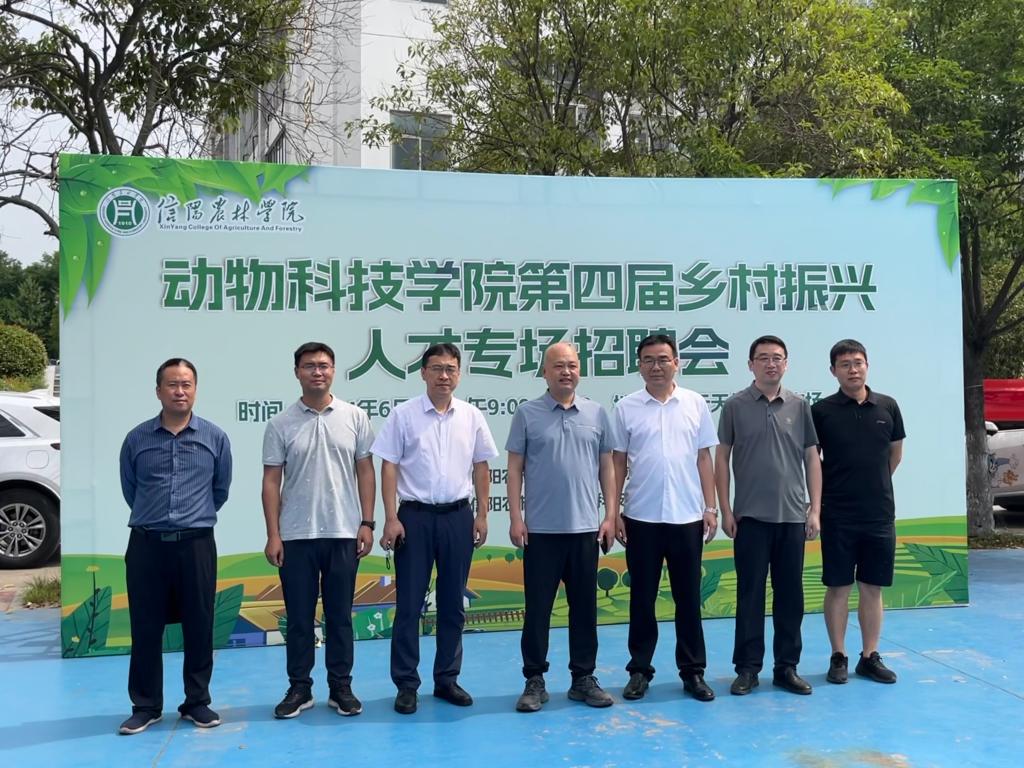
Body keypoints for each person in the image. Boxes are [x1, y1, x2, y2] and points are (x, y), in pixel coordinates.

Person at [371, 343, 497, 715]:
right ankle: (406, 684)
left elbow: (481, 467)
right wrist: (391, 517)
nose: (444, 376)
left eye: (451, 369)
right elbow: (389, 466)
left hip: (458, 516)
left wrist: (482, 514)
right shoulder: (403, 415)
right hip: (414, 518)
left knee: (453, 604)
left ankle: (447, 679)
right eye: (437, 368)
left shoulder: (471, 416)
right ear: (423, 372)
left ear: (459, 374)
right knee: (409, 605)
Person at [118, 358, 232, 735]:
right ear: (158, 391)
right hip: (147, 545)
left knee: (199, 624)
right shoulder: (137, 439)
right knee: (145, 626)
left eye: (186, 384)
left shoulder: (215, 438)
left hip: (196, 545)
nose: (179, 391)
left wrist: (191, 518)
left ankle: (196, 702)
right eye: (172, 384)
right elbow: (131, 489)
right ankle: (146, 705)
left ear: (195, 390)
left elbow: (219, 490)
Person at [262, 342, 376, 719]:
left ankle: (341, 686)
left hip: (344, 532)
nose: (317, 371)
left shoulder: (355, 417)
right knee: (299, 617)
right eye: (309, 365)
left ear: (333, 371)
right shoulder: (280, 424)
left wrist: (367, 522)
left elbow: (365, 471)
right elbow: (271, 481)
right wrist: (273, 534)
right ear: (297, 372)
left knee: (340, 616)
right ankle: (300, 687)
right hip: (296, 536)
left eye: (324, 365)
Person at [507, 342, 618, 713]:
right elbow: (515, 469)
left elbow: (607, 467)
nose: (565, 372)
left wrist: (610, 515)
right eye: (558, 366)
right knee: (538, 610)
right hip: (541, 532)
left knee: (584, 609)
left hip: (585, 530)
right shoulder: (527, 413)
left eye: (571, 365)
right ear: (545, 372)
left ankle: (583, 678)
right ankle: (534, 680)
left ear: (579, 370)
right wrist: (516, 518)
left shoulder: (596, 413)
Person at [612, 334, 719, 703]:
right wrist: (614, 512)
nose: (655, 366)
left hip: (687, 516)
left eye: (662, 359)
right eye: (648, 360)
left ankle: (693, 671)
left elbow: (704, 458)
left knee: (688, 598)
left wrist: (710, 507)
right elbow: (618, 462)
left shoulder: (695, 403)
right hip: (640, 517)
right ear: (639, 365)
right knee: (641, 598)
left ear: (677, 363)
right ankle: (639, 670)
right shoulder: (626, 407)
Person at [715, 335, 821, 696]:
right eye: (763, 358)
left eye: (777, 358)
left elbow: (811, 458)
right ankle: (747, 668)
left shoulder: (800, 406)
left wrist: (815, 509)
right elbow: (721, 458)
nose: (770, 364)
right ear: (750, 365)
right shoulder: (735, 406)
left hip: (792, 517)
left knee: (790, 596)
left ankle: (786, 667)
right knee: (750, 595)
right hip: (750, 519)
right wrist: (725, 509)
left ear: (786, 364)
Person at [811, 339, 905, 685]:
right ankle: (838, 655)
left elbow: (895, 455)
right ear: (833, 371)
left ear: (867, 366)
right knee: (838, 587)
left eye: (858, 362)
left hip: (878, 513)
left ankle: (869, 656)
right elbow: (813, 462)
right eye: (845, 364)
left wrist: (872, 485)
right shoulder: (821, 411)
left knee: (872, 587)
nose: (853, 370)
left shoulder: (888, 406)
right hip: (836, 513)